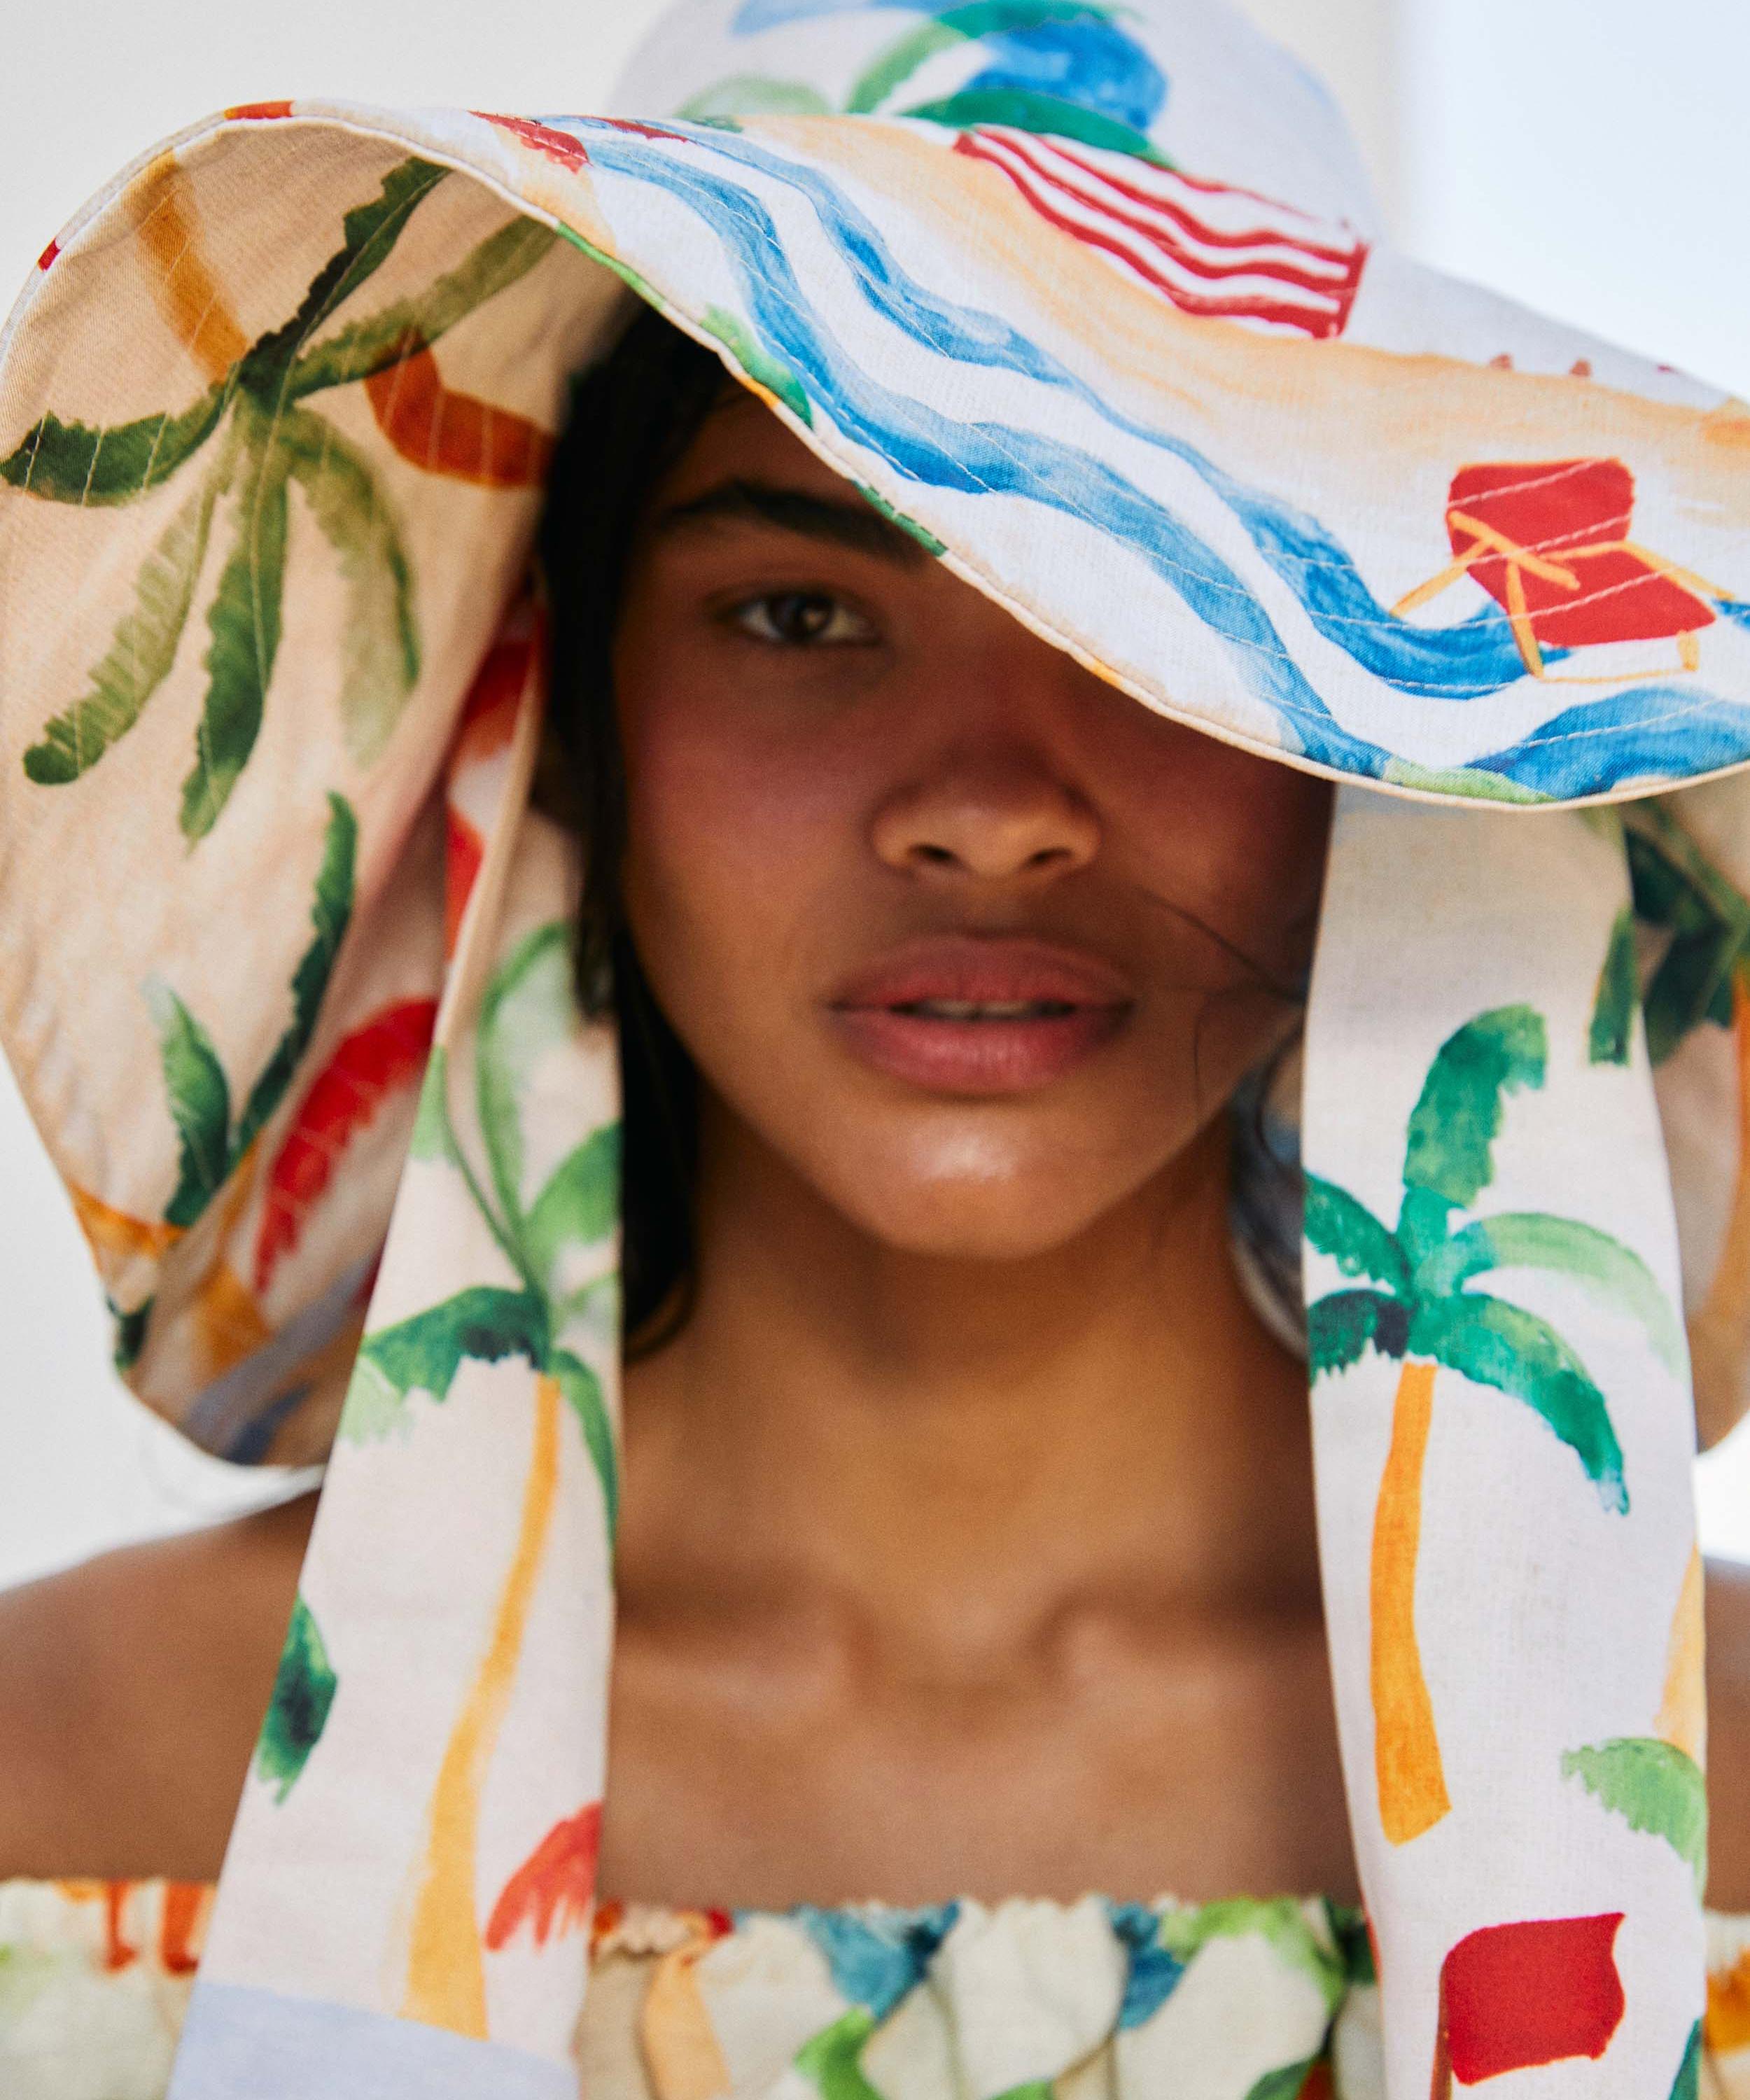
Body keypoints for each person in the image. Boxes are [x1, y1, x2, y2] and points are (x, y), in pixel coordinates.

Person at [0, 1, 1747, 2094]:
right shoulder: (61, 1781)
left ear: (1360, 748)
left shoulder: (1705, 1801)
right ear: (564, 712)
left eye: (1152, 621)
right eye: (802, 617)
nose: (991, 803)